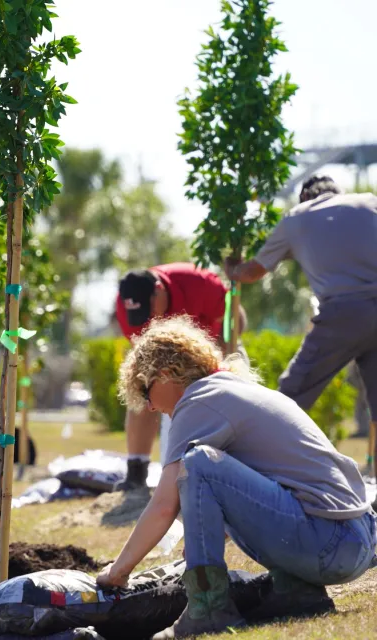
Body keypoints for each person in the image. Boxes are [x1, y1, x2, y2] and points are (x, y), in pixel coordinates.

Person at [96, 317, 376, 638]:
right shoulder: (234, 391)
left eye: (146, 392)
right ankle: (296, 592)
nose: (148, 407)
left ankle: (209, 609)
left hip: (328, 544)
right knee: (204, 463)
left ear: (166, 375)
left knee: (198, 461)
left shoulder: (198, 401)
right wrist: (206, 529)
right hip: (356, 540)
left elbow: (163, 505)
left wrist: (119, 572)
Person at [225, 175, 377, 480]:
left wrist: (232, 269)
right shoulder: (368, 202)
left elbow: (253, 272)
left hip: (342, 314)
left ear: (305, 197)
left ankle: (263, 473)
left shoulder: (296, 218)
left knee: (291, 394)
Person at [115, 263, 246, 491]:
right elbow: (144, 356)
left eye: (150, 308)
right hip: (165, 354)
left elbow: (236, 322)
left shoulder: (198, 283)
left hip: (212, 345)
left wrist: (218, 367)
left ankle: (238, 467)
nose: (151, 317)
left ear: (159, 289)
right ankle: (136, 472)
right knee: (143, 388)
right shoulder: (125, 303)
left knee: (235, 390)